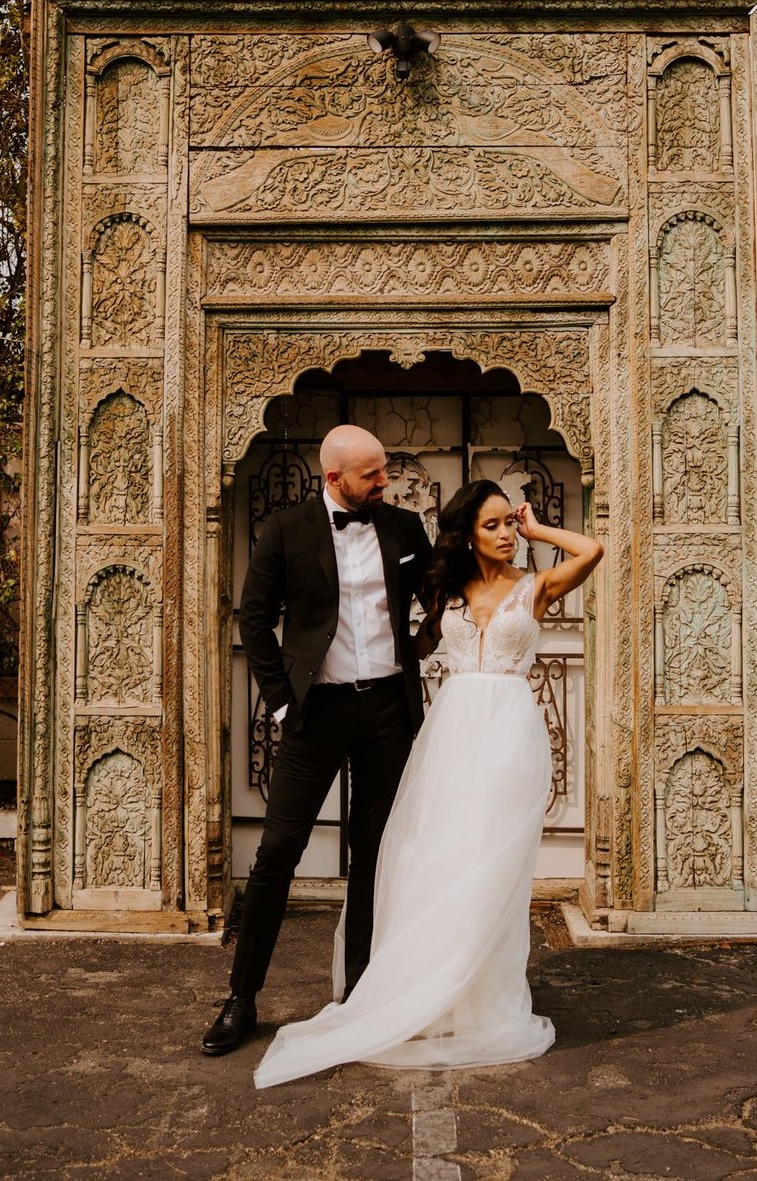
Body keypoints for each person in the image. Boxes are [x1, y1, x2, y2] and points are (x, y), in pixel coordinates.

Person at [251, 479, 604, 1088]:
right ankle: (432, 988)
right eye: (491, 525)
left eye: (507, 524)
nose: (503, 535)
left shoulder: (536, 585)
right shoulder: (446, 593)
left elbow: (592, 551)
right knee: (440, 858)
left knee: (494, 863)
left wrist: (536, 527)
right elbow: (403, 647)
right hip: (450, 734)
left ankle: (484, 994)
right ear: (468, 532)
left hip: (510, 735)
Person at [201, 425, 433, 1057]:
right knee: (277, 851)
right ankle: (241, 998)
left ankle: (362, 996)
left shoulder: (405, 530)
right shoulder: (285, 530)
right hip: (314, 715)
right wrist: (280, 704)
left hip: (388, 710)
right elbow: (254, 618)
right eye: (372, 475)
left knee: (374, 855)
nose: (384, 482)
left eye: (384, 471)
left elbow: (439, 598)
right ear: (334, 478)